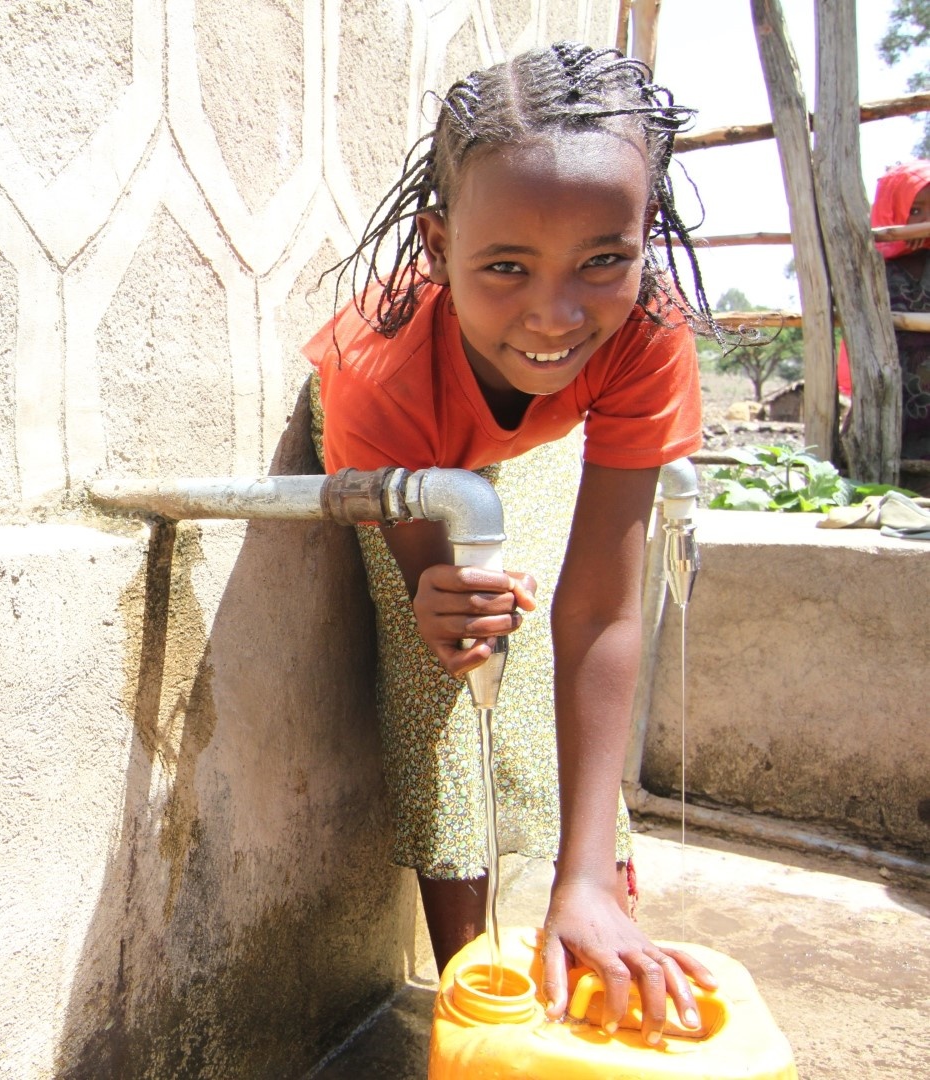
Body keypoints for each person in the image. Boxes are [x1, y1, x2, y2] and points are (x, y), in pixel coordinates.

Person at [303, 42, 717, 1043]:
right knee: (452, 664)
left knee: (541, 639)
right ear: (439, 245)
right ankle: (475, 994)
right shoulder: (380, 368)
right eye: (505, 265)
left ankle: (595, 906)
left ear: (644, 239)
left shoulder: (645, 333)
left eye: (602, 261)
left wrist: (581, 876)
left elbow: (604, 608)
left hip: (531, 430)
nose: (555, 311)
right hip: (402, 445)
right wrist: (437, 600)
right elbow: (438, 605)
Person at [838, 160, 930, 472]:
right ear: (892, 212)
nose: (924, 221)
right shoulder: (872, 269)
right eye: (914, 211)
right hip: (891, 398)